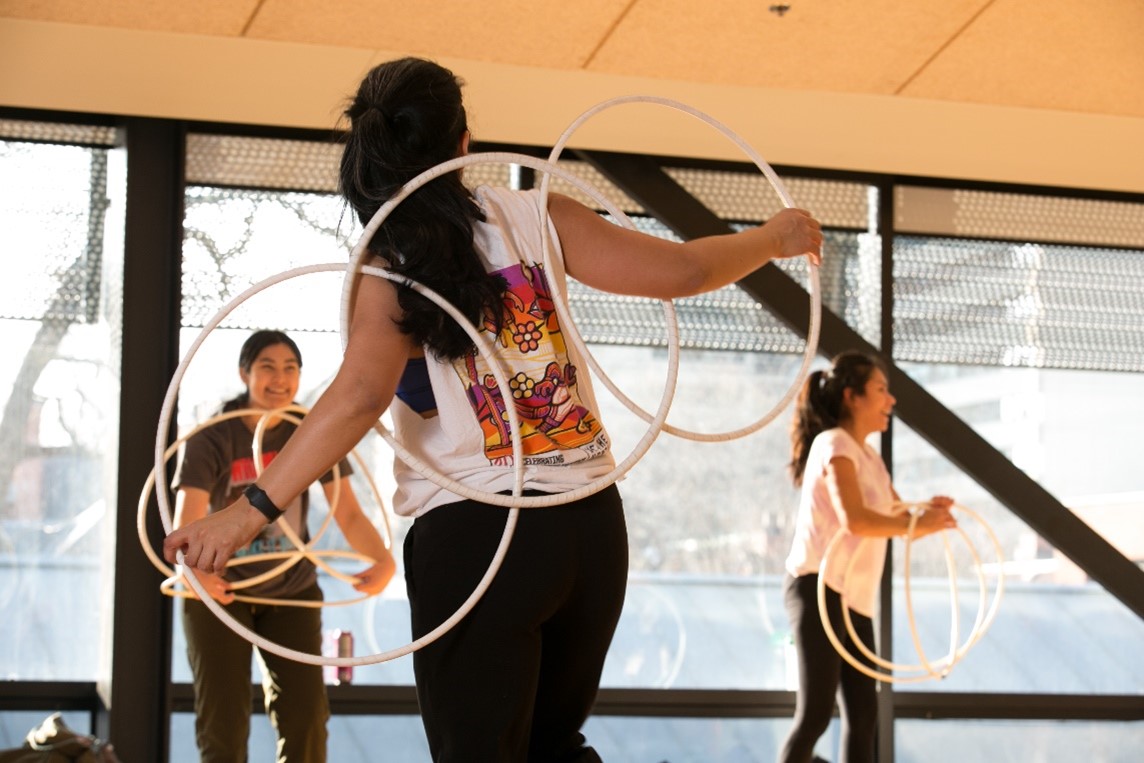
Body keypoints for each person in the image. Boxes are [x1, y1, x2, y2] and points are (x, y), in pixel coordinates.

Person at [164, 56, 823, 763]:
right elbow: (684, 270)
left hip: (479, 533)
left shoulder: (390, 262)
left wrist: (248, 508)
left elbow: (359, 395)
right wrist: (777, 238)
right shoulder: (537, 215)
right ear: (465, 144)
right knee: (552, 746)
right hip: (589, 530)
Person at [172, 329, 394, 763]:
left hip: (290, 590)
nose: (280, 379)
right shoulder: (213, 437)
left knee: (307, 719)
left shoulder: (310, 432)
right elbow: (189, 517)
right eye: (267, 368)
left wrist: (383, 559)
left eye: (290, 369)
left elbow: (346, 512)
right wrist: (198, 575)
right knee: (223, 726)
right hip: (222, 591)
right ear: (244, 373)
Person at [779, 351, 957, 763]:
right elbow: (857, 520)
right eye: (881, 390)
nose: (890, 401)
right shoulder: (834, 444)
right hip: (817, 587)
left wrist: (929, 515)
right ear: (852, 397)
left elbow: (898, 518)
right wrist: (918, 523)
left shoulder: (871, 459)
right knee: (816, 716)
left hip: (853, 598)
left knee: (863, 716)